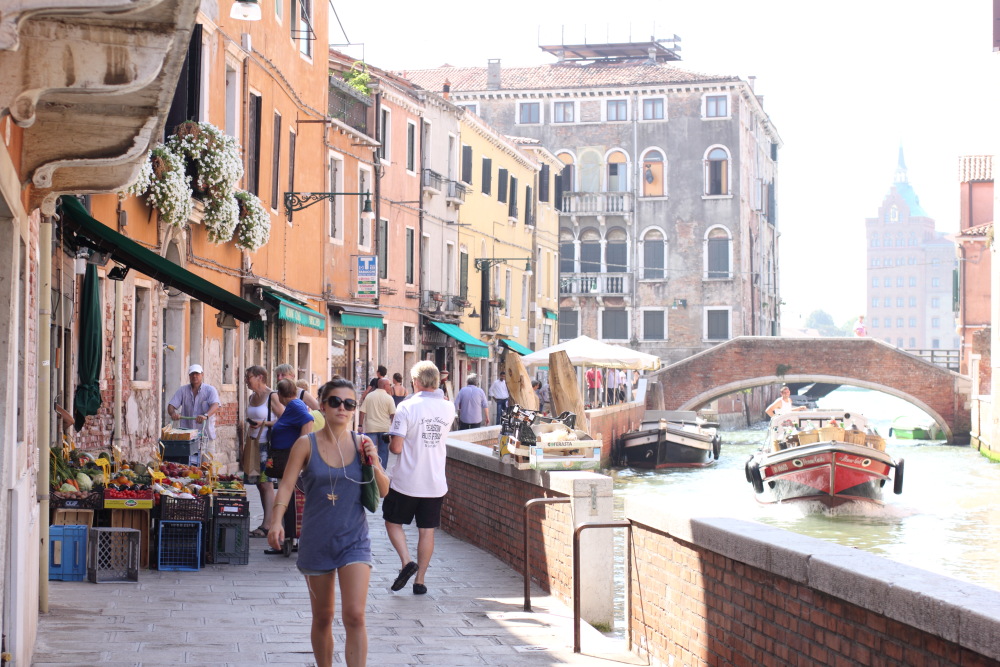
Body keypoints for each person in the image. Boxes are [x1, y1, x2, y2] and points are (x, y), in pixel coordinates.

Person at [268, 378, 389, 667]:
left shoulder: (363, 443)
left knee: (355, 615)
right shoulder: (304, 444)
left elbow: (383, 491)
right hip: (316, 539)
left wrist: (374, 461)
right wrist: (275, 521)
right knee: (323, 616)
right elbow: (285, 486)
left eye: (349, 404)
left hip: (354, 541)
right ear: (322, 405)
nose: (342, 408)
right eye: (335, 401)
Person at [384, 361, 456, 595]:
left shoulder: (407, 407)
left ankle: (406, 562)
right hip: (435, 481)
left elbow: (396, 448)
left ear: (415, 381)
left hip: (407, 479)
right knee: (427, 530)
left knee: (392, 522)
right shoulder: (448, 408)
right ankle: (420, 581)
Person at [263, 379, 316, 554]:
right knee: (287, 497)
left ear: (279, 394)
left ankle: (287, 538)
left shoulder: (295, 405)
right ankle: (286, 536)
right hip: (282, 457)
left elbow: (308, 420)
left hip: (288, 458)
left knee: (287, 497)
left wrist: (302, 447)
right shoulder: (293, 406)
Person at [245, 365, 285, 538]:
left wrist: (263, 424)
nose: (246, 380)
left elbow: (284, 419)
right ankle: (268, 521)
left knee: (266, 483)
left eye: (249, 377)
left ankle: (268, 524)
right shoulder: (252, 396)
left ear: (260, 377)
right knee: (259, 484)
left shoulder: (272, 396)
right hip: (253, 444)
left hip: (267, 446)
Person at [167, 364, 220, 459]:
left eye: (197, 374)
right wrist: (173, 413)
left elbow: (215, 405)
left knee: (206, 466)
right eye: (192, 374)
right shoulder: (182, 390)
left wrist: (206, 415)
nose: (194, 376)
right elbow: (171, 406)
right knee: (188, 466)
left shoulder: (210, 390)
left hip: (206, 436)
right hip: (187, 439)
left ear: (202, 375)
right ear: (189, 376)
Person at [358, 377, 396, 468]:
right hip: (384, 429)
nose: (390, 387)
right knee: (383, 452)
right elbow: (393, 415)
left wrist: (360, 425)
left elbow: (362, 411)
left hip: (371, 428)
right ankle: (382, 471)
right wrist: (394, 428)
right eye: (389, 385)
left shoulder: (369, 396)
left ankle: (371, 469)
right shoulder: (389, 398)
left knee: (370, 451)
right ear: (384, 386)